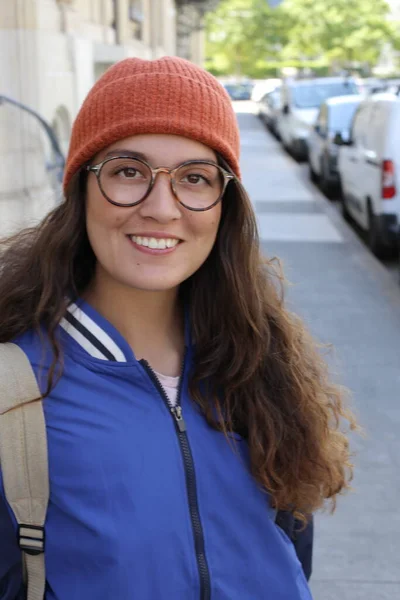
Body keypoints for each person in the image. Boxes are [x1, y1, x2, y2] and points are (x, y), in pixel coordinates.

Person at [0, 57, 357, 600]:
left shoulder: (259, 360)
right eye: (128, 171)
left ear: (224, 203)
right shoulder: (15, 388)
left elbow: (288, 554)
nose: (162, 208)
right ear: (80, 188)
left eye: (195, 178)